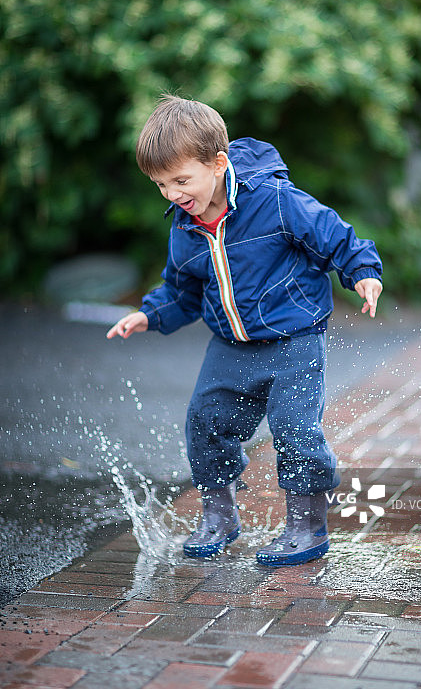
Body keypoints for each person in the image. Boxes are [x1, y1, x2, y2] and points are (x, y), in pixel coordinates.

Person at [107, 94, 383, 566]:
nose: (172, 195)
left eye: (180, 181)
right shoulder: (185, 228)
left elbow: (334, 234)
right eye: (160, 185)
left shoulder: (274, 200)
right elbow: (181, 290)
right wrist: (151, 314)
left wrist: (362, 271)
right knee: (205, 421)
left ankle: (307, 526)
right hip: (231, 344)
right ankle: (219, 515)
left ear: (217, 164)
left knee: (295, 430)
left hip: (295, 338)